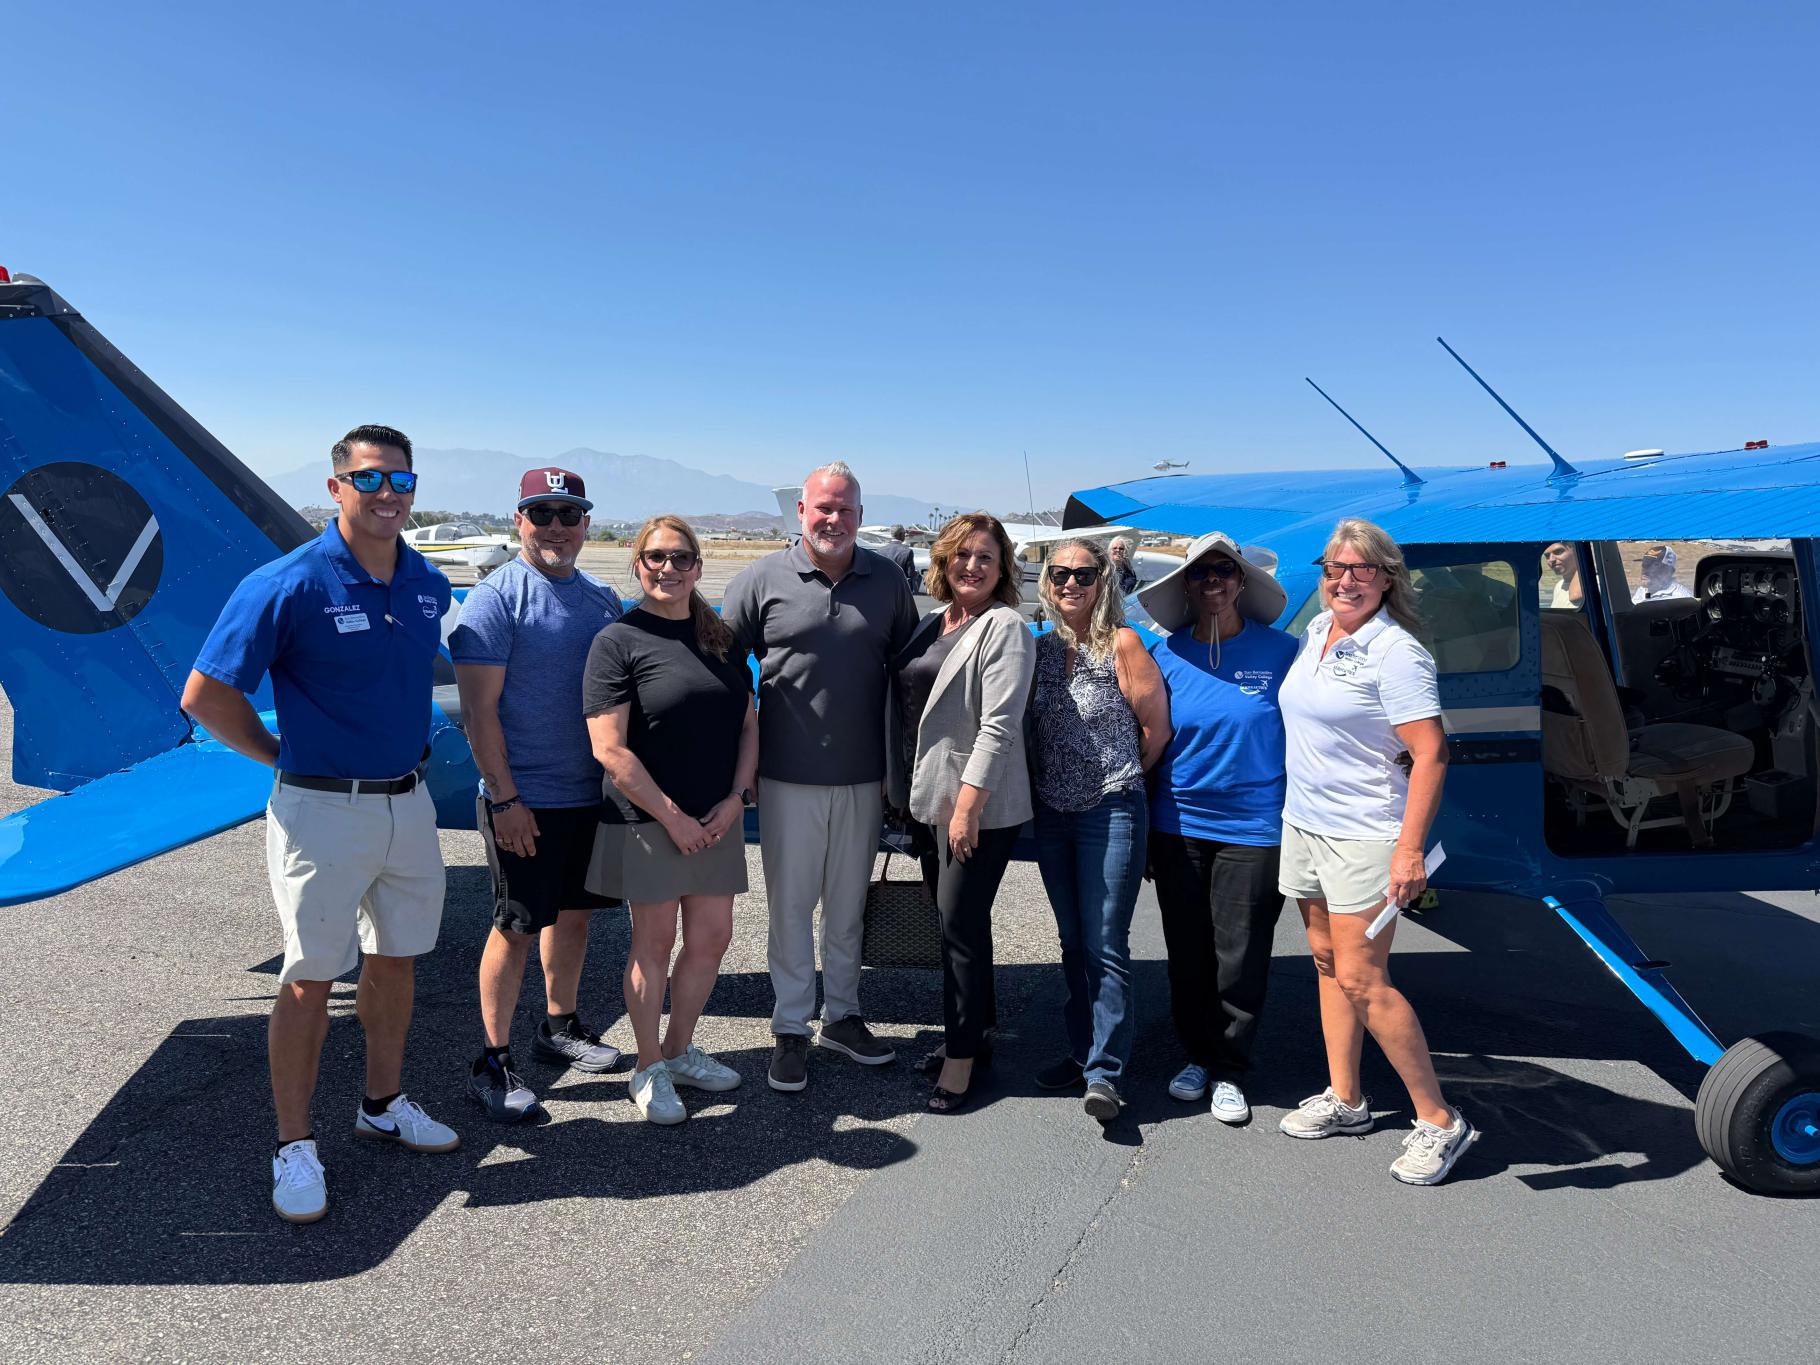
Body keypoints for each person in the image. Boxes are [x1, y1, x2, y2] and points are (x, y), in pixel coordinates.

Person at [181, 425, 457, 1225]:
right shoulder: (286, 582)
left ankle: (382, 1101)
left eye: (400, 481)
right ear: (336, 487)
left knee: (398, 960)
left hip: (408, 802)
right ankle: (295, 1144)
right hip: (320, 806)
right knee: (309, 977)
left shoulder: (426, 582)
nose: (386, 496)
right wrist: (279, 755)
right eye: (368, 480)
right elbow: (205, 695)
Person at [1276, 518, 1477, 1186]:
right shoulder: (1317, 633)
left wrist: (1409, 850)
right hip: (1306, 824)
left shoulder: (1398, 652)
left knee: (1365, 977)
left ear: (1388, 577)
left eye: (1361, 569)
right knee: (1329, 961)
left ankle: (1440, 1120)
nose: (1345, 579)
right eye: (1335, 566)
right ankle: (1348, 1098)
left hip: (1366, 832)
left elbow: (1431, 751)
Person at [723, 462, 918, 1093]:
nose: (833, 519)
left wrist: (901, 775)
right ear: (801, 512)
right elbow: (725, 678)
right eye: (823, 509)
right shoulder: (760, 580)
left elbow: (909, 677)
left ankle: (844, 1014)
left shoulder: (888, 581)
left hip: (864, 776)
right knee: (790, 904)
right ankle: (788, 1025)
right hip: (786, 776)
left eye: (846, 510)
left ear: (861, 516)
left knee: (847, 905)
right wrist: (738, 769)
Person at [449, 468, 626, 1124]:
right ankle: (491, 1061)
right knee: (517, 926)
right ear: (519, 518)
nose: (557, 525)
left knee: (575, 916)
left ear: (586, 521)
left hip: (588, 795)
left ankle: (560, 1025)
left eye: (569, 512)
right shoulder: (495, 599)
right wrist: (504, 798)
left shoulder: (603, 599)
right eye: (542, 511)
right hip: (525, 798)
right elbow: (479, 711)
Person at [584, 515, 758, 1124]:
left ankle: (681, 1049)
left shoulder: (722, 639)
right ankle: (647, 1065)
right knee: (653, 943)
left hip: (717, 816)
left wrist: (738, 797)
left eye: (681, 558)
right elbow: (610, 749)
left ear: (698, 568)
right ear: (637, 566)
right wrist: (674, 818)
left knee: (711, 938)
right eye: (655, 557)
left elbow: (748, 723)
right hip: (648, 820)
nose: (668, 568)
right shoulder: (618, 640)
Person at [1139, 532, 1297, 1125]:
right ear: (1187, 585)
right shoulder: (1164, 655)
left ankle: (1230, 1066)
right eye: (1201, 574)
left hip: (1255, 825)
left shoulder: (1282, 652)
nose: (1213, 583)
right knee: (1189, 949)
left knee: (1242, 952)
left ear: (1241, 582)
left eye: (1223, 572)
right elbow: (1147, 740)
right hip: (1177, 821)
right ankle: (1198, 1056)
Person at [888, 513, 1036, 1113]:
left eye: (985, 557)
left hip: (975, 808)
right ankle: (976, 1035)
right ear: (943, 562)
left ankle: (960, 1060)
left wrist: (967, 808)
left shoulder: (1004, 627)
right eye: (962, 555)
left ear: (1002, 570)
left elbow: (1000, 726)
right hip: (928, 801)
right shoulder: (932, 626)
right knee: (960, 928)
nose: (971, 566)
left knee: (958, 929)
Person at [1027, 538, 1170, 1122]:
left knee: (1105, 944)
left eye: (1083, 575)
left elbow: (1154, 730)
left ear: (1103, 582)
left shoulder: (1124, 645)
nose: (1070, 584)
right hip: (1052, 814)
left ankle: (1105, 1073)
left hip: (1109, 810)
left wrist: (1119, 777)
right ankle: (1082, 1051)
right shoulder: (1038, 651)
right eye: (1059, 573)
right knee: (1070, 941)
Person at [1543, 542, 1583, 609]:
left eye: (1558, 552)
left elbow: (1575, 595)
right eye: (1547, 556)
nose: (1551, 559)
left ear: (1575, 552)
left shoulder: (1596, 582)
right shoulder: (1559, 586)